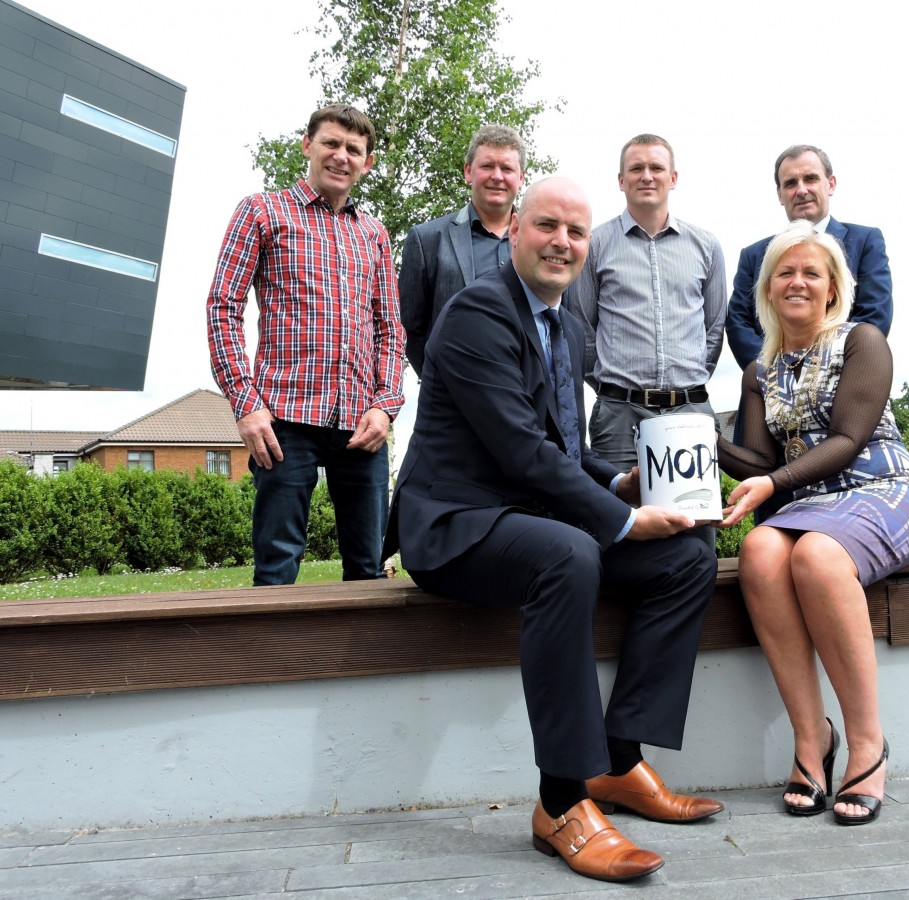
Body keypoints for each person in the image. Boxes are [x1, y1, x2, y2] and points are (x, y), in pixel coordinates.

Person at [383, 178, 722, 883]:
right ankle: (560, 800)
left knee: (688, 552)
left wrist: (620, 483)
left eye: (575, 230)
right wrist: (622, 518)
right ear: (514, 233)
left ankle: (618, 759)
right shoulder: (477, 313)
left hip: (530, 519)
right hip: (457, 526)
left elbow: (562, 449)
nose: (562, 242)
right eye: (547, 226)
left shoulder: (568, 327)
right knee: (569, 552)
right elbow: (518, 450)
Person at [717, 221, 909, 825]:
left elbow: (847, 438)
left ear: (833, 289)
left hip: (885, 489)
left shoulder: (862, 342)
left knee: (815, 553)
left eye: (811, 272)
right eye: (785, 272)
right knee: (761, 549)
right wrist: (691, 442)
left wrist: (771, 484)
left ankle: (867, 742)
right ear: (767, 290)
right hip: (811, 506)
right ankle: (812, 739)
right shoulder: (759, 371)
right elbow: (759, 460)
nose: (797, 282)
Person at [207, 104, 404, 586]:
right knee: (276, 567)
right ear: (307, 145)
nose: (341, 156)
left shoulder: (374, 234)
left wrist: (386, 406)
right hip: (282, 420)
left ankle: (367, 663)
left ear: (367, 162)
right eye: (331, 143)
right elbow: (223, 307)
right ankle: (270, 661)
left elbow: (390, 330)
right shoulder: (262, 211)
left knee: (369, 566)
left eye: (353, 150)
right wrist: (246, 405)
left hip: (361, 422)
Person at [565, 133, 725, 473]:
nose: (647, 176)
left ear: (673, 178)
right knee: (623, 521)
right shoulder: (594, 246)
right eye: (636, 168)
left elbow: (713, 328)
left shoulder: (706, 246)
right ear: (621, 181)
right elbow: (581, 328)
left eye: (656, 167)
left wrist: (686, 382)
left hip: (689, 411)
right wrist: (613, 387)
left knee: (694, 520)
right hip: (620, 416)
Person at [725, 144, 893, 371]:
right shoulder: (753, 255)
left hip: (845, 383)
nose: (801, 190)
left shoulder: (866, 242)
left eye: (811, 179)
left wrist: (818, 372)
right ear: (780, 194)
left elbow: (874, 315)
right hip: (769, 391)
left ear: (830, 184)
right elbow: (738, 323)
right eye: (791, 183)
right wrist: (779, 373)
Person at [400, 124, 526, 378]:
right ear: (469, 172)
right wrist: (440, 381)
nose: (497, 176)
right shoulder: (426, 240)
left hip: (527, 398)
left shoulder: (540, 243)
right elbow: (410, 329)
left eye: (507, 168)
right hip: (451, 402)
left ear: (521, 178)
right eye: (487, 166)